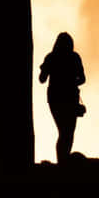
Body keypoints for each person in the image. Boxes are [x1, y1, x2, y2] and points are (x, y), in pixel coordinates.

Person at [38, 32, 86, 164]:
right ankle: (62, 161)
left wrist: (46, 69)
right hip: (69, 98)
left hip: (55, 98)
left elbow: (42, 79)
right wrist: (71, 82)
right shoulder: (74, 57)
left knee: (64, 132)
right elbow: (82, 79)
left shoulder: (51, 57)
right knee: (67, 132)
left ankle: (62, 161)